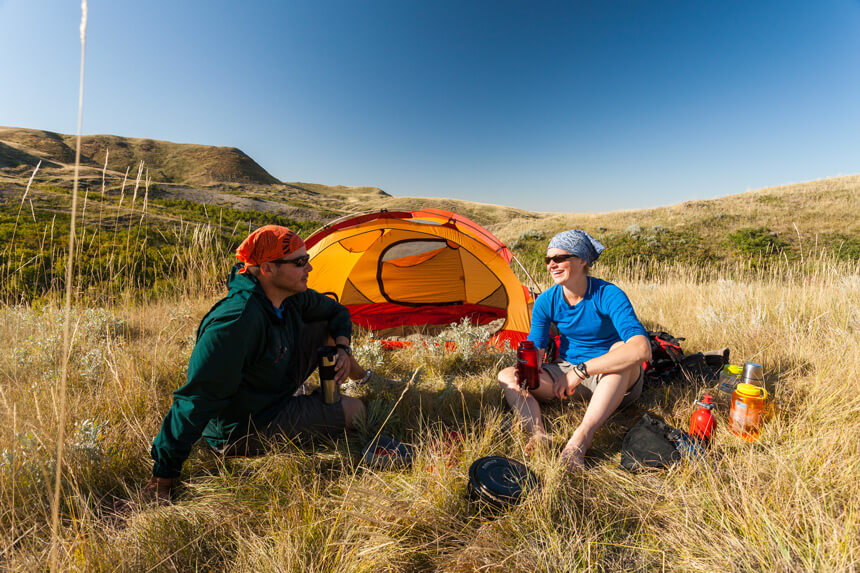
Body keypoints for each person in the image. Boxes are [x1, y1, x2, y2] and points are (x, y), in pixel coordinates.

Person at [144, 225, 368, 501]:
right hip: (246, 427)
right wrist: (162, 479)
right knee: (357, 410)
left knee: (326, 328)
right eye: (300, 263)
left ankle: (362, 378)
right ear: (267, 269)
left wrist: (343, 348)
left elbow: (337, 311)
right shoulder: (236, 322)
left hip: (274, 388)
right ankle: (327, 405)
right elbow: (194, 401)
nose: (308, 268)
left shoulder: (290, 297)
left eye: (307, 259)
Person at [497, 230, 651, 469]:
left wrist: (579, 372)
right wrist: (533, 363)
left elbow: (641, 349)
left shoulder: (608, 294)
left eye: (559, 258)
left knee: (622, 350)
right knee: (507, 376)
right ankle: (538, 434)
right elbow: (536, 344)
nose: (552, 265)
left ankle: (580, 439)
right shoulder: (546, 301)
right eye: (548, 260)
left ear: (582, 260)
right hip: (565, 375)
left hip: (611, 379)